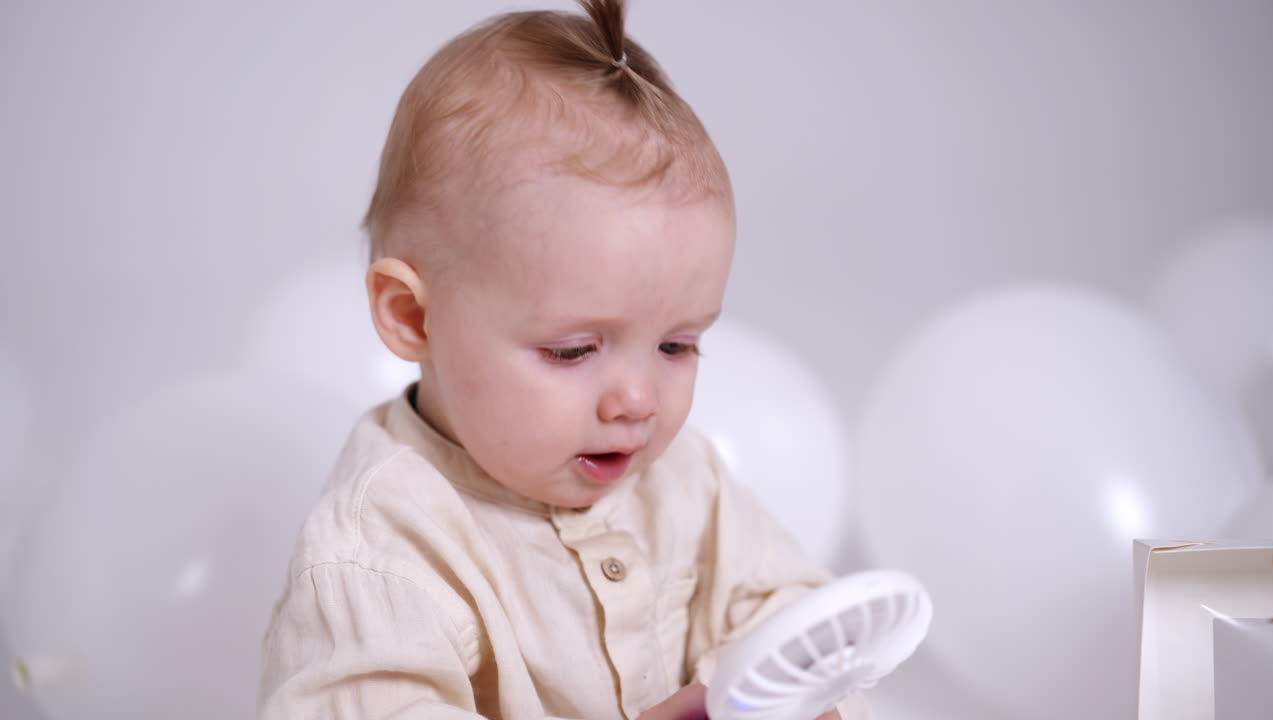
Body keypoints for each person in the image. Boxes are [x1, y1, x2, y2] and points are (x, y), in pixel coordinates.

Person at [259, 1, 871, 718]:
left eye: (677, 345)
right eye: (572, 350)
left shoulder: (684, 480)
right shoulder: (381, 548)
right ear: (413, 316)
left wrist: (797, 695)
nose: (638, 400)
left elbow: (794, 613)